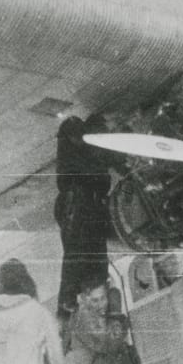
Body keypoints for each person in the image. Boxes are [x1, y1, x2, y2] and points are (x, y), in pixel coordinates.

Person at [55, 113, 114, 329]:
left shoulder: (77, 283)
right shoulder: (98, 277)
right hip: (87, 204)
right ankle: (90, 129)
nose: (101, 303)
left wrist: (65, 304)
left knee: (77, 164)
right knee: (91, 167)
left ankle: (76, 130)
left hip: (77, 204)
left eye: (97, 301)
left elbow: (71, 260)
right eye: (101, 301)